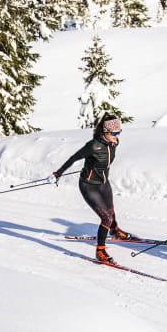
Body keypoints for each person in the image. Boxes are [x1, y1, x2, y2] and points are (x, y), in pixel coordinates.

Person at [53, 113, 133, 264]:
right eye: (115, 133)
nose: (117, 135)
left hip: (103, 183)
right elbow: (73, 158)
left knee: (111, 209)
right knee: (106, 217)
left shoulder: (114, 143)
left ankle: (115, 231)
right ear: (105, 132)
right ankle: (100, 250)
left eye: (119, 132)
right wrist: (58, 173)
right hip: (89, 185)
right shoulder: (93, 145)